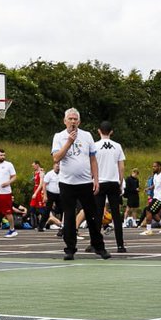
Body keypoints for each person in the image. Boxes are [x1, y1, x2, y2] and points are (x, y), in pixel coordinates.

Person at [51, 108, 110, 260]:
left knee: (92, 216)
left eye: (75, 119)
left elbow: (93, 159)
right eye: (70, 119)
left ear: (79, 121)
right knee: (69, 217)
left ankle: (99, 246)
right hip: (67, 183)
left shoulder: (87, 136)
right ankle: (70, 248)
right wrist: (69, 142)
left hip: (85, 182)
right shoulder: (59, 136)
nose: (72, 121)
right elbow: (56, 158)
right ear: (65, 121)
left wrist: (96, 179)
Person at [93, 122, 127, 253]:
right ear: (111, 132)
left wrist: (93, 180)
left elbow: (92, 165)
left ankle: (95, 244)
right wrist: (120, 181)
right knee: (116, 215)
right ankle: (120, 245)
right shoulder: (117, 146)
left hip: (100, 182)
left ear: (99, 131)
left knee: (98, 214)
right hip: (113, 182)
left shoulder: (95, 146)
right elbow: (121, 166)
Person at [139, 162, 161, 235]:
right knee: (153, 213)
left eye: (155, 166)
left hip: (160, 198)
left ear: (159, 167)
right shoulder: (155, 175)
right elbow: (155, 185)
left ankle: (149, 230)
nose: (153, 168)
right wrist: (149, 188)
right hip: (156, 197)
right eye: (153, 166)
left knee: (148, 210)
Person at [42, 162, 63, 232]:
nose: (58, 167)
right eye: (56, 166)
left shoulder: (62, 173)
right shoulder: (49, 174)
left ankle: (63, 225)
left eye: (59, 166)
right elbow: (44, 184)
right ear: (53, 166)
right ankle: (41, 226)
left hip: (59, 194)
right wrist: (45, 195)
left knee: (62, 209)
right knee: (47, 210)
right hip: (51, 193)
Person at [29, 161, 49, 231]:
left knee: (41, 209)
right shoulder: (35, 172)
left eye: (34, 165)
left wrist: (36, 193)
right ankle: (35, 224)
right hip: (35, 189)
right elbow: (33, 181)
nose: (33, 167)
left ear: (37, 165)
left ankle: (43, 224)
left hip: (39, 191)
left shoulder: (41, 172)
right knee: (32, 208)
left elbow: (41, 184)